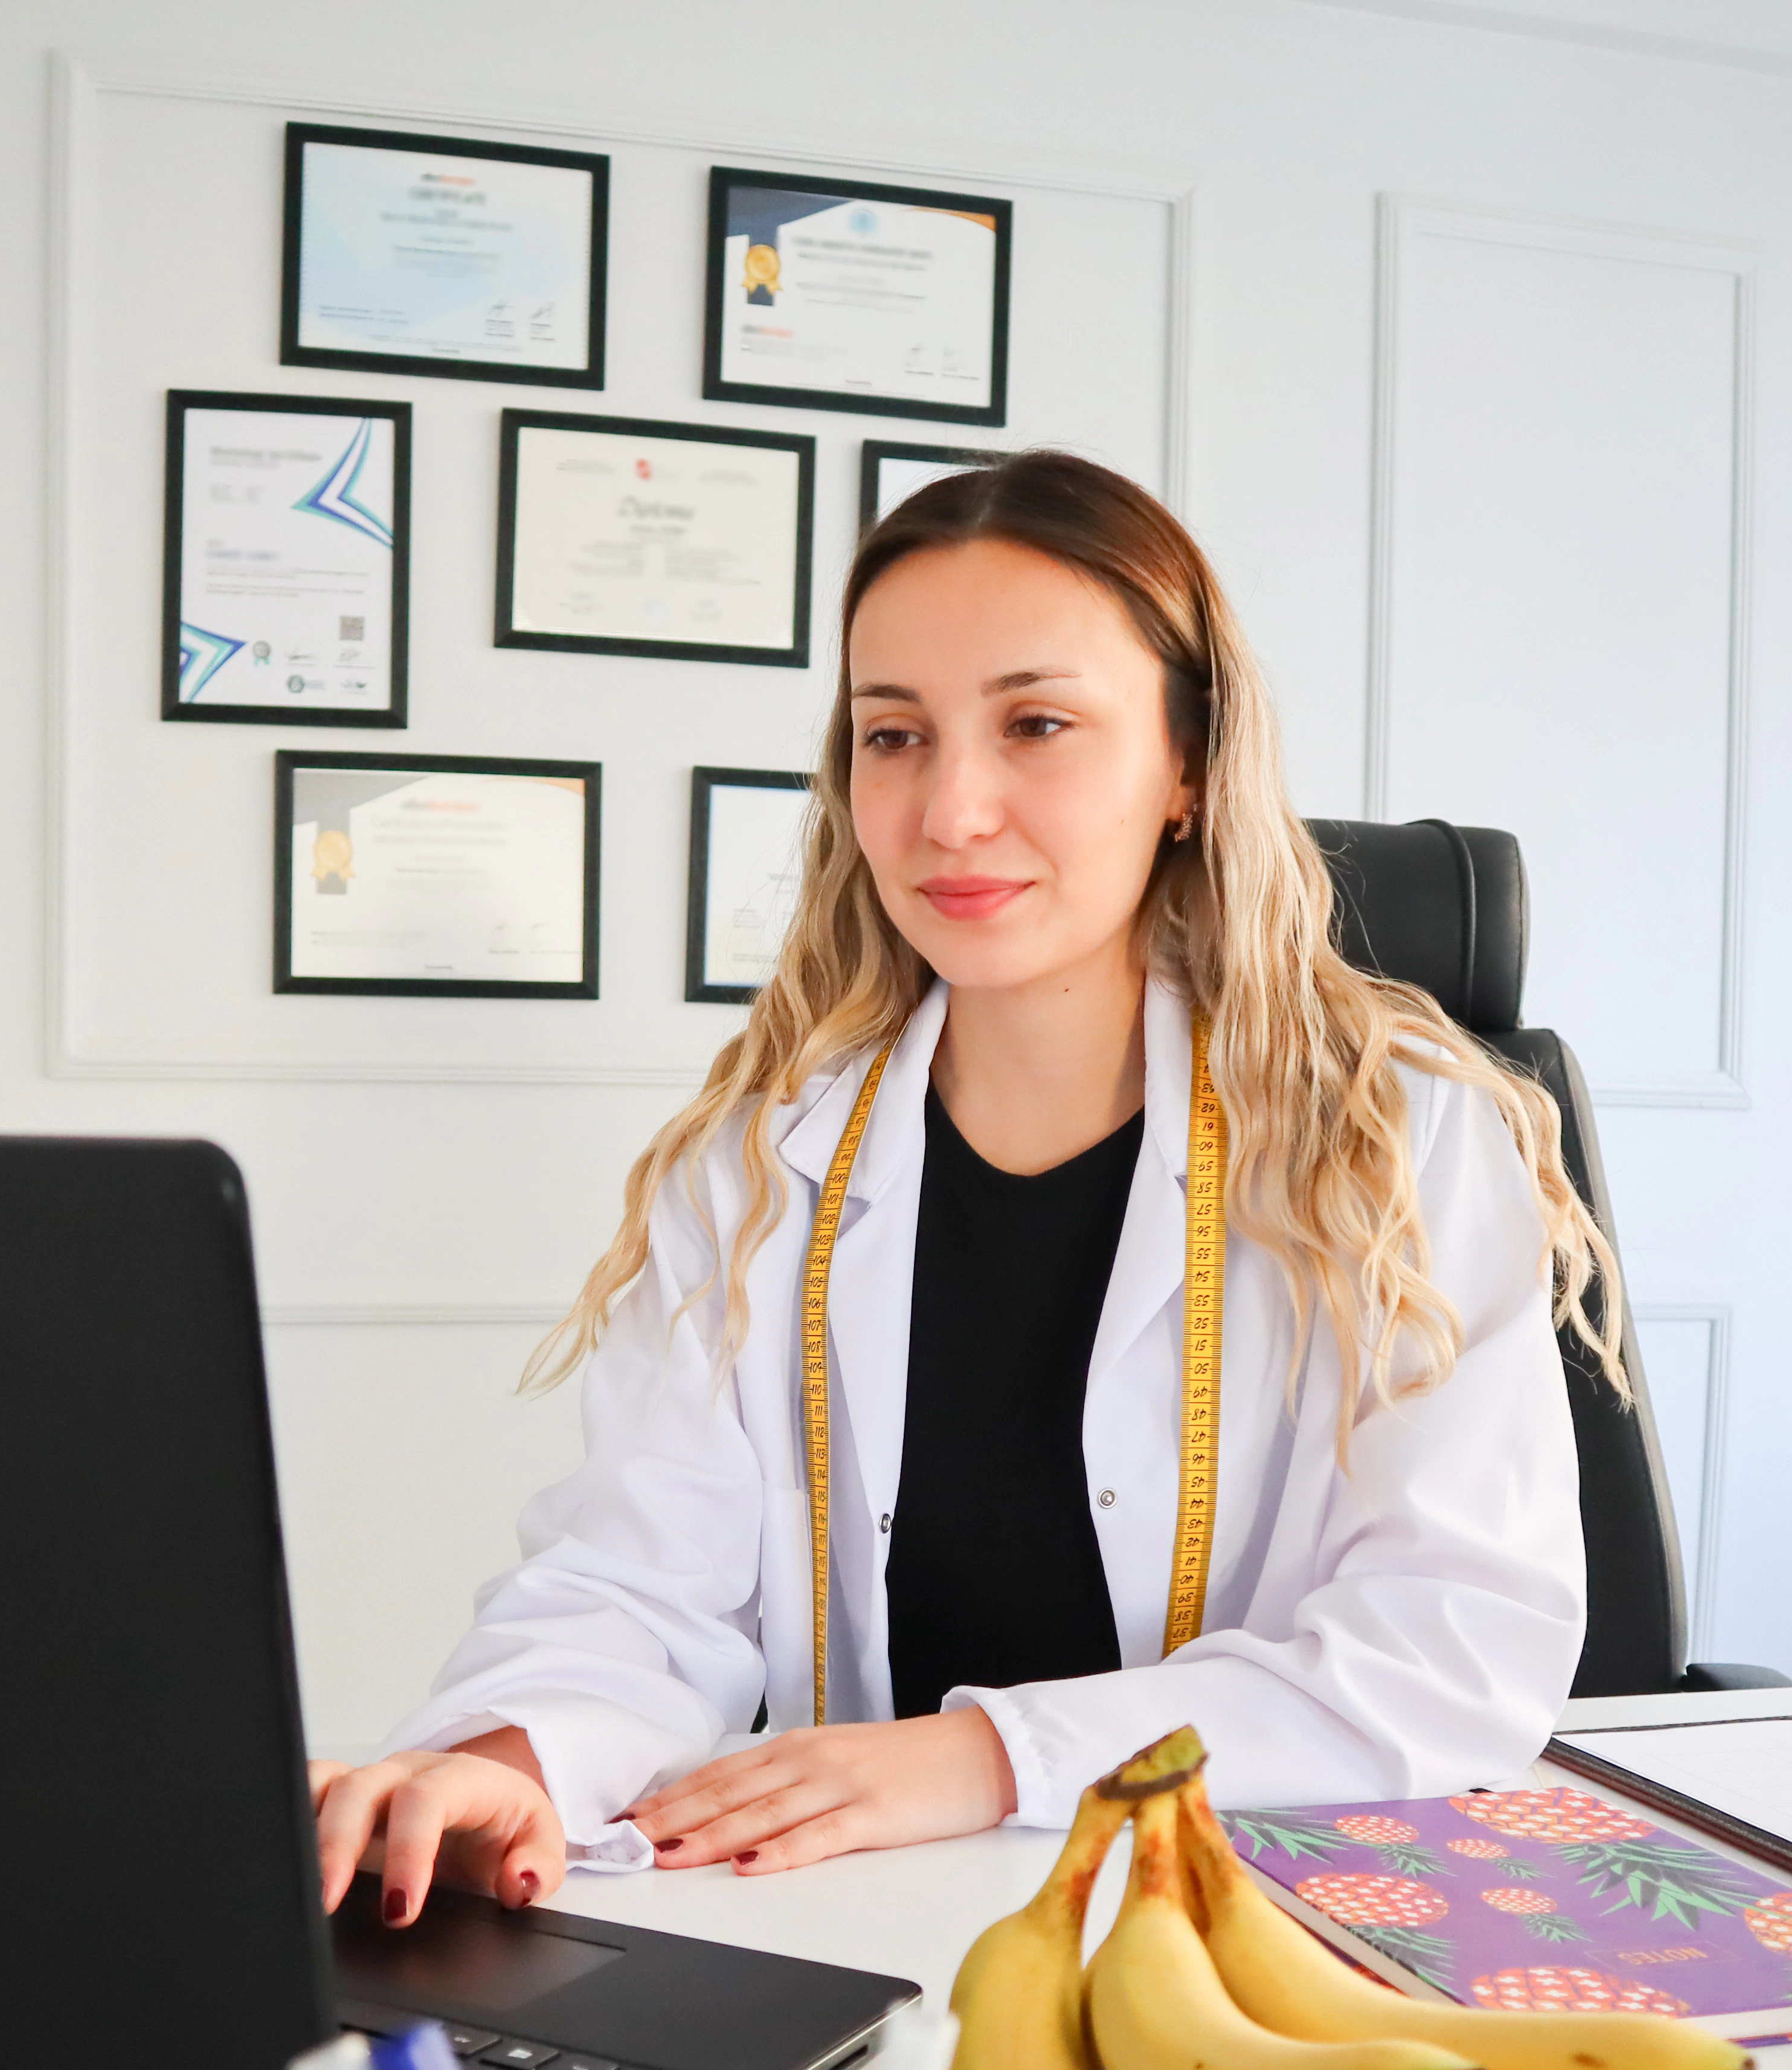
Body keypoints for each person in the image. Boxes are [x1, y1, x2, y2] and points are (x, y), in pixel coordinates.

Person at [309, 452, 1620, 1927]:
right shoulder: (756, 1165)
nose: (951, 810)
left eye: (1038, 724)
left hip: (1280, 1928)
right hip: (874, 1925)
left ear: (1187, 766)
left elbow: (1450, 1649)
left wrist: (992, 1753)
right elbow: (640, 1582)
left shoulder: (1399, 1144)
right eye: (895, 735)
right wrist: (506, 1762)